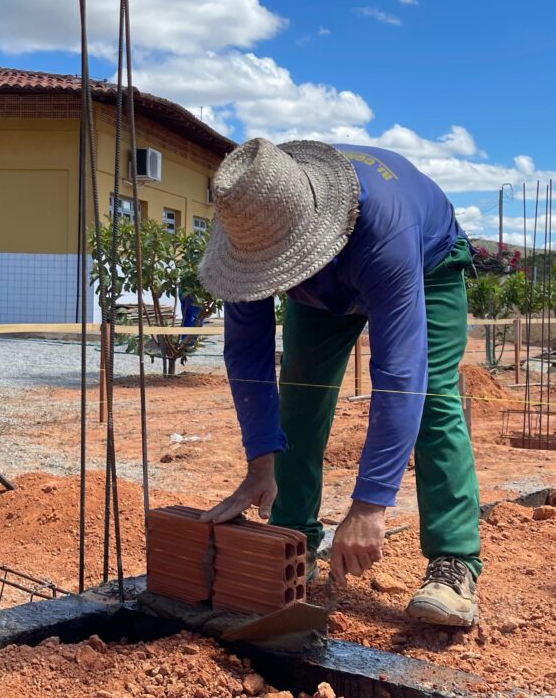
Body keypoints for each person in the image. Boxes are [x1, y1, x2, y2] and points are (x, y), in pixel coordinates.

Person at [198, 138, 481, 627]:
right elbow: (247, 354)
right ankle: (293, 538)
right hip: (321, 287)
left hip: (426, 263)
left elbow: (400, 375)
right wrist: (260, 463)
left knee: (431, 396)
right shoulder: (252, 225)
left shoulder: (386, 234)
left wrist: (370, 505)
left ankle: (453, 563)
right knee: (302, 397)